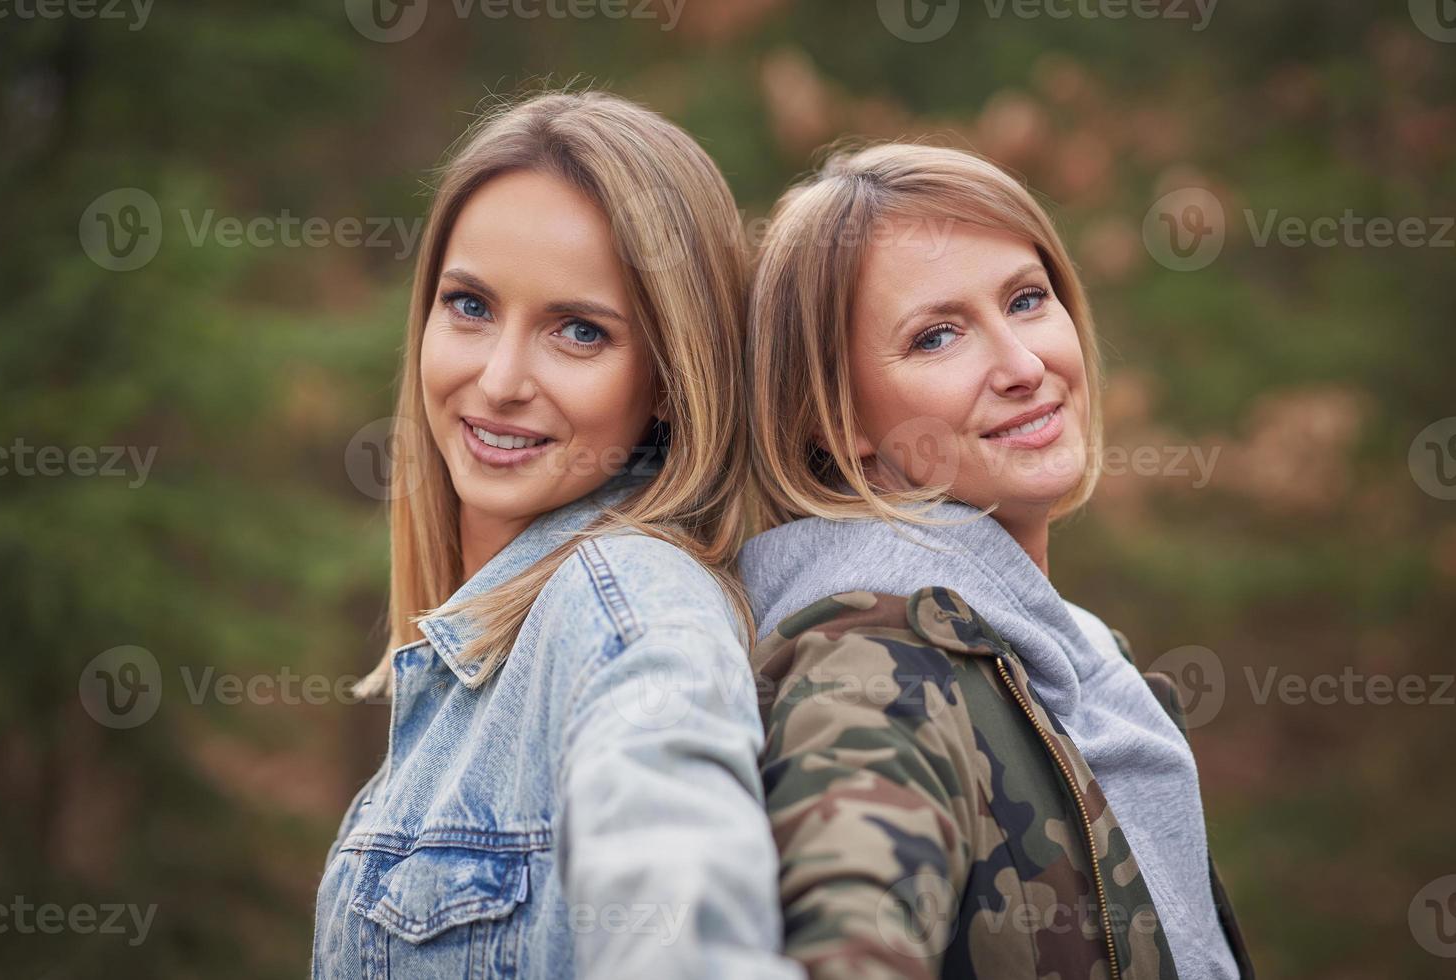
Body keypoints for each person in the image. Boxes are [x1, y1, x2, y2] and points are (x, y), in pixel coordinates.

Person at [312, 91, 800, 980]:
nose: (499, 380)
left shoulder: (630, 604)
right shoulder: (479, 651)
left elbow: (677, 889)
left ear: (671, 377)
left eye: (579, 331)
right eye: (469, 306)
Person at [740, 142, 1255, 979]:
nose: (1023, 366)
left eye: (1026, 299)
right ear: (832, 417)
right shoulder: (875, 662)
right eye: (937, 336)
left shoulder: (1074, 654)